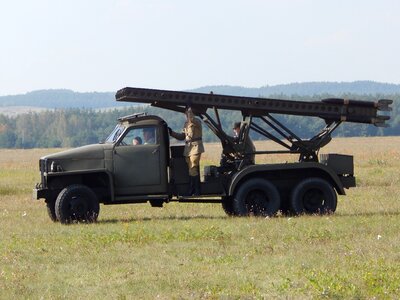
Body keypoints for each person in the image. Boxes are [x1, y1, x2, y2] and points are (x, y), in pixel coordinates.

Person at [169, 107, 204, 196]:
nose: (186, 115)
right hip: (188, 148)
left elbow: (192, 119)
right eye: (186, 114)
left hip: (196, 147)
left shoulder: (196, 121)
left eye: (188, 113)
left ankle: (195, 190)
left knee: (193, 168)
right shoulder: (186, 124)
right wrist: (171, 133)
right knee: (190, 170)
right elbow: (182, 136)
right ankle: (193, 190)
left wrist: (189, 110)